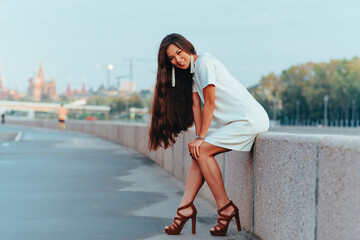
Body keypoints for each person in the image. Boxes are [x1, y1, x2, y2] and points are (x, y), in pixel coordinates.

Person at [149, 33, 269, 236]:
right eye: (172, 58)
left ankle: (224, 208)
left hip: (250, 120)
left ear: (188, 48)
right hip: (238, 122)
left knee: (201, 150)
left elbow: (210, 103)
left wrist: (201, 139)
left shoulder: (204, 62)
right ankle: (185, 207)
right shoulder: (194, 73)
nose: (178, 60)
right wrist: (198, 138)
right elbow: (197, 106)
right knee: (199, 152)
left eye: (179, 53)